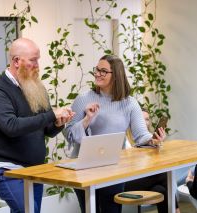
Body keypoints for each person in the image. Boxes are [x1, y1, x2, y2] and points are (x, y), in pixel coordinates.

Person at [63, 55, 165, 213]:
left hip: (115, 168)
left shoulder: (130, 103)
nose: (98, 74)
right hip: (84, 169)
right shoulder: (83, 99)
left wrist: (153, 140)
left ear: (116, 75)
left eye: (103, 71)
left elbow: (141, 136)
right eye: (97, 70)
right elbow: (69, 134)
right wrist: (86, 119)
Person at [0, 38, 75, 213]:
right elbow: (11, 126)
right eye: (33, 60)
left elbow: (46, 130)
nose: (37, 65)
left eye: (38, 59)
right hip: (7, 169)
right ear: (16, 61)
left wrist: (58, 123)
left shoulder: (35, 87)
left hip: (34, 169)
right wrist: (51, 114)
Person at [125, 109, 180, 213]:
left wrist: (157, 144)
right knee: (164, 174)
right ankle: (177, 210)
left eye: (147, 119)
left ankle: (175, 210)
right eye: (142, 120)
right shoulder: (126, 140)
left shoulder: (150, 139)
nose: (145, 123)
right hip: (127, 181)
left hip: (146, 180)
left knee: (161, 190)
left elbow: (157, 162)